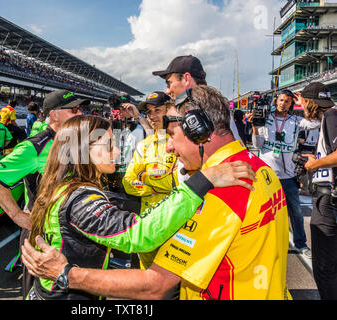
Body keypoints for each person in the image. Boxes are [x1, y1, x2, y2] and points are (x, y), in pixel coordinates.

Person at [21, 85, 291, 301]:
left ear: (200, 131)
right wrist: (199, 182)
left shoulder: (226, 185)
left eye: (172, 134)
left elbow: (154, 285)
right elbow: (137, 232)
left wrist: (67, 273)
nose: (169, 147)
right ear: (82, 152)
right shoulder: (259, 168)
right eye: (109, 145)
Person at [0, 90, 85, 298]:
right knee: (35, 291)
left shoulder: (73, 140)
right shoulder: (34, 146)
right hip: (40, 232)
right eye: (74, 109)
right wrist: (18, 216)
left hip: (68, 229)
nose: (80, 113)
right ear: (54, 115)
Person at [249, 89, 321, 259]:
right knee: (265, 213)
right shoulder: (266, 119)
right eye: (281, 100)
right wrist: (255, 126)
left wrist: (303, 103)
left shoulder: (295, 120)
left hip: (289, 176)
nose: (283, 103)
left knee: (295, 212)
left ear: (291, 104)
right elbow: (257, 145)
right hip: (268, 176)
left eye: (287, 101)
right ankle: (265, 245)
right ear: (276, 101)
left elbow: (316, 122)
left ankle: (301, 244)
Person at [152, 55, 242, 183]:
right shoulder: (208, 108)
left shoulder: (211, 111)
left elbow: (231, 162)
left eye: (169, 83)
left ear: (186, 78)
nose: (167, 90)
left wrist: (201, 182)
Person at [122, 92, 177, 269]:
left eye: (157, 110)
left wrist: (145, 176)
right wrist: (155, 187)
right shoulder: (144, 144)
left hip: (176, 224)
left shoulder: (181, 141)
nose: (152, 116)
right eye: (149, 112)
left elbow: (178, 182)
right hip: (148, 225)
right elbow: (128, 182)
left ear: (170, 110)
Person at [300, 82, 337, 299]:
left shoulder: (331, 116)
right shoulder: (330, 116)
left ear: (310, 102)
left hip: (328, 201)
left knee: (324, 267)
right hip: (328, 198)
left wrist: (314, 165)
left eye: (303, 102)